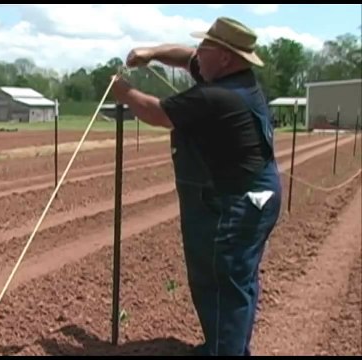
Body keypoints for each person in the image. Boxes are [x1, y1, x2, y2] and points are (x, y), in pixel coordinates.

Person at [110, 17, 282, 356]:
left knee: (221, 282)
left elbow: (158, 112)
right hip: (257, 193)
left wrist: (124, 92)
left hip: (238, 202)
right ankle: (226, 347)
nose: (197, 53)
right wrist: (153, 53)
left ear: (225, 58)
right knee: (238, 281)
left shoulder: (217, 96)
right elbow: (186, 55)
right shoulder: (234, 77)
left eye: (205, 48)